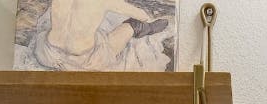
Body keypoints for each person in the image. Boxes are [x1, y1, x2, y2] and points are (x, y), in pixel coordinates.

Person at [30, 0, 173, 72]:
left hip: (47, 52)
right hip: (84, 60)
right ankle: (146, 29)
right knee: (134, 25)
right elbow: (142, 16)